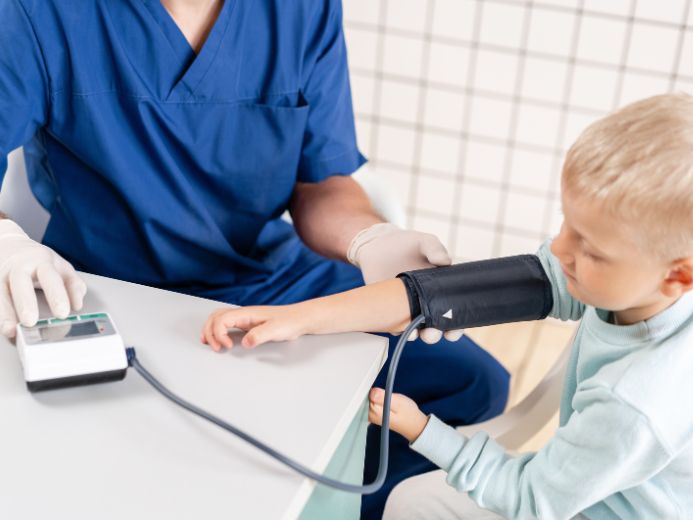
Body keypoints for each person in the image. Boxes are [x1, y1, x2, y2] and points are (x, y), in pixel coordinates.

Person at [0, 1, 509, 516]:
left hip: (273, 282)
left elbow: (320, 184)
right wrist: (8, 243)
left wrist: (369, 237)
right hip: (118, 296)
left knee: (473, 383)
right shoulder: (38, 12)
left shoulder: (301, 10)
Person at [202, 93, 693, 519]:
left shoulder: (637, 404)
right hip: (590, 483)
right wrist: (298, 317)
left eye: (591, 248)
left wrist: (419, 428)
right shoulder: (637, 285)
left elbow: (529, 499)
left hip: (570, 505)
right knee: (411, 502)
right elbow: (458, 294)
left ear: (679, 274)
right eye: (565, 223)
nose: (559, 249)